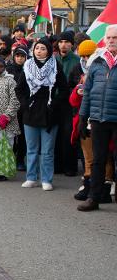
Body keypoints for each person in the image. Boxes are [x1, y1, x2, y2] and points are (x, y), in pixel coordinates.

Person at [15, 37, 69, 191]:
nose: (39, 51)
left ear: (49, 51)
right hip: (31, 110)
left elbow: (64, 89)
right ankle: (31, 177)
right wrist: (25, 104)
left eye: (43, 48)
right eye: (37, 48)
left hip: (50, 111)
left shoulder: (55, 65)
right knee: (31, 148)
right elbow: (19, 89)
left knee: (47, 150)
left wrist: (55, 103)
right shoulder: (28, 65)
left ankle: (46, 179)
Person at [77, 25, 117, 211]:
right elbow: (88, 92)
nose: (110, 40)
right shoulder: (98, 62)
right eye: (108, 37)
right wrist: (83, 116)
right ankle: (94, 197)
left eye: (115, 37)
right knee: (98, 159)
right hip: (98, 118)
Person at [70, 41, 112, 203]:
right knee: (89, 156)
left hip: (103, 119)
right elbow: (73, 101)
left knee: (105, 157)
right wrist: (78, 91)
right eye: (83, 56)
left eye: (89, 55)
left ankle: (105, 189)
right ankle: (89, 186)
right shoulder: (81, 74)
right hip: (86, 121)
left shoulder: (105, 70)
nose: (86, 59)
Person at [54, 30, 80, 177]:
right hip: (55, 102)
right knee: (56, 135)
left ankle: (70, 166)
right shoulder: (54, 59)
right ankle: (57, 165)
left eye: (67, 42)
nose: (63, 45)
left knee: (68, 134)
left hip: (70, 103)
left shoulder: (76, 61)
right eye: (61, 42)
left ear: (72, 44)